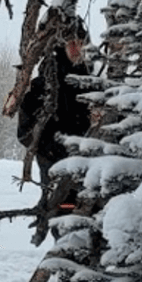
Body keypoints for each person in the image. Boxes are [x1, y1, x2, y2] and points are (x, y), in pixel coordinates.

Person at [16, 19, 92, 175]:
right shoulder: (43, 85)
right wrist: (47, 150)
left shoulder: (93, 84)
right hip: (54, 165)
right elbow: (24, 131)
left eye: (81, 43)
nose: (77, 49)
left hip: (89, 165)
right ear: (61, 46)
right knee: (55, 200)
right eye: (71, 43)